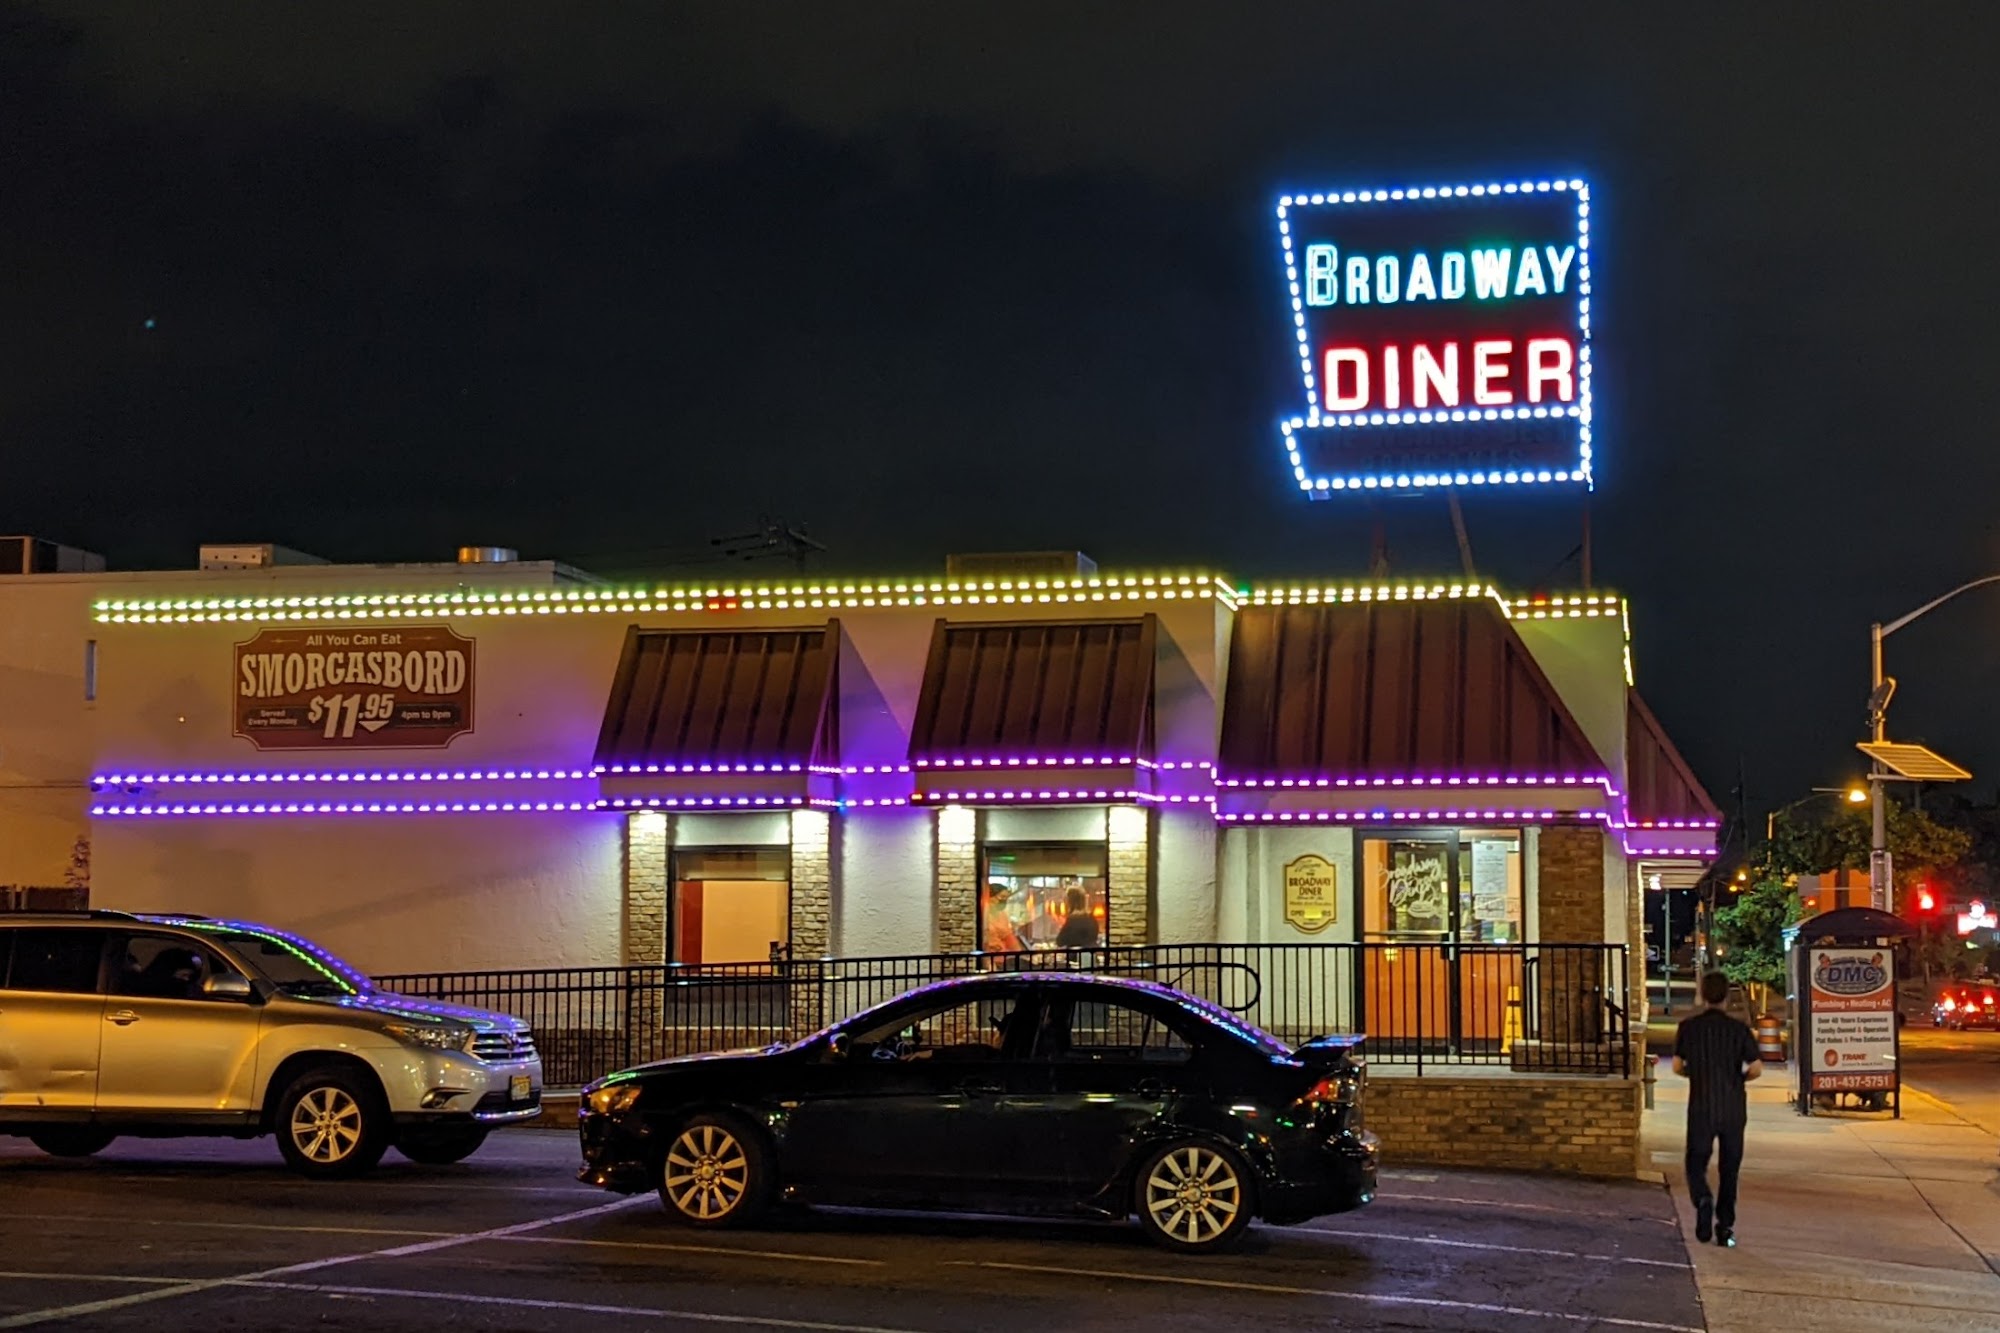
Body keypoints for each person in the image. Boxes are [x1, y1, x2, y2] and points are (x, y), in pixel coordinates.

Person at [1674, 970, 1764, 1248]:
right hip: (1733, 1107)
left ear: (1703, 994)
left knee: (1695, 1162)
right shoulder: (1739, 1030)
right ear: (1726, 996)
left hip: (1702, 1105)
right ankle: (1724, 1227)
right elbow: (1756, 1068)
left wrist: (1695, 1073)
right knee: (1729, 1168)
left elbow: (1678, 1066)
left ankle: (1702, 1198)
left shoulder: (1689, 1028)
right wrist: (1738, 1079)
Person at [982, 885, 1024, 953]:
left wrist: (1019, 954)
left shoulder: (1002, 915)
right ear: (990, 897)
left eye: (1006, 898)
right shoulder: (982, 914)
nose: (1004, 900)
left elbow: (1008, 936)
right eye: (1002, 896)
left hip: (1002, 956)